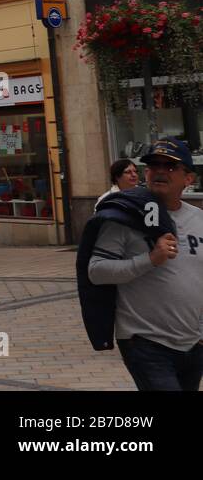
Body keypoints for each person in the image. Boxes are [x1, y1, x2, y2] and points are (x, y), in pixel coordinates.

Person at [88, 138, 203, 390]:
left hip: (192, 343)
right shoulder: (125, 217)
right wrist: (150, 259)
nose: (160, 171)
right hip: (146, 342)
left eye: (170, 166)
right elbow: (96, 271)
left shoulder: (199, 219)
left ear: (189, 179)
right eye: (153, 165)